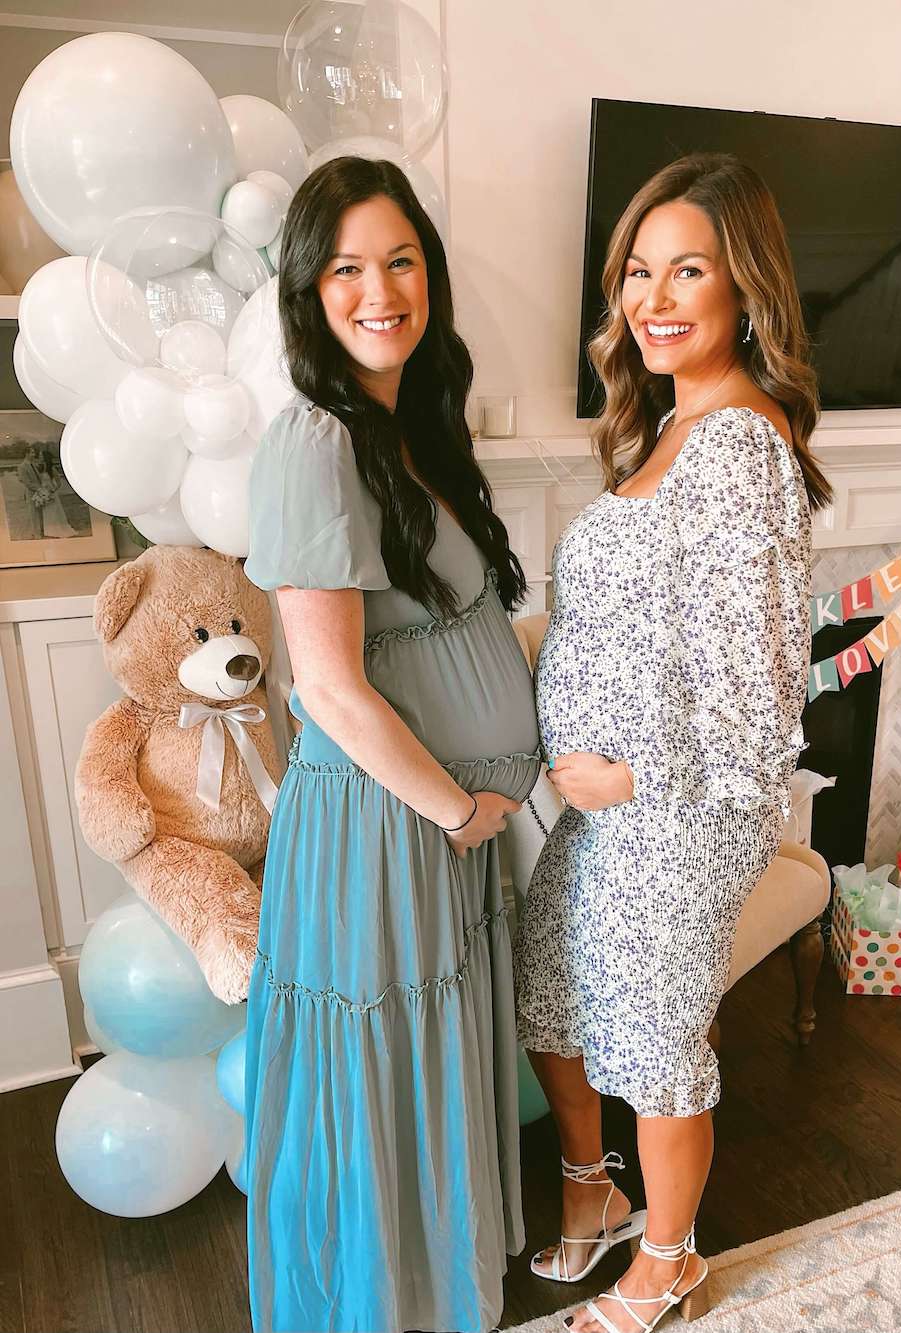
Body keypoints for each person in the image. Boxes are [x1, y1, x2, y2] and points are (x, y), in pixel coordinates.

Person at [514, 152, 833, 1332]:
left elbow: (762, 695)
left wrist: (640, 771)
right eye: (638, 272)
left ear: (743, 289)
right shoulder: (663, 428)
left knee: (650, 1039)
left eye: (685, 269)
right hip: (605, 806)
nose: (652, 298)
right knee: (547, 996)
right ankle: (590, 1197)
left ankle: (668, 1257)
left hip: (683, 808)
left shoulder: (740, 447)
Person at [242, 156, 541, 1333]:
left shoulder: (404, 422)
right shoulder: (314, 439)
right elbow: (330, 687)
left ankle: (427, 1295)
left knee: (423, 1078)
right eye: (348, 268)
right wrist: (458, 812)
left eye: (402, 260)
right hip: (389, 822)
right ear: (308, 292)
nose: (381, 290)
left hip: (432, 825)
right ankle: (375, 1309)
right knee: (380, 1085)